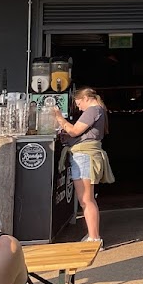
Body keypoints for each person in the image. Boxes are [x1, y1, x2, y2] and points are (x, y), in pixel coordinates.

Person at [54, 86, 113, 243]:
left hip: (85, 156)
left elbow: (74, 131)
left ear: (86, 98)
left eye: (78, 102)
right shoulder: (98, 110)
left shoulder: (93, 110)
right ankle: (93, 235)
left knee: (86, 199)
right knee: (87, 198)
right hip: (86, 154)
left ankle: (94, 238)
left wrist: (59, 117)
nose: (78, 106)